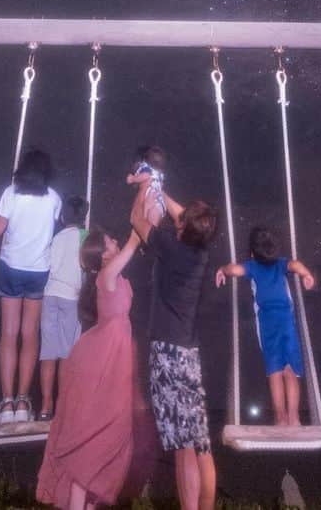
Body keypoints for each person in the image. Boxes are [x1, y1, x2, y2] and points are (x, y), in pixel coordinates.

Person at [36, 225, 148, 510]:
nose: (114, 241)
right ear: (103, 256)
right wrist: (147, 203)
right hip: (100, 360)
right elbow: (134, 241)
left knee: (113, 435)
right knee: (92, 436)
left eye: (112, 238)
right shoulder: (106, 275)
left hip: (115, 360)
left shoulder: (117, 276)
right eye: (110, 242)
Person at [131, 188, 217, 510]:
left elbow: (136, 220)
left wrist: (144, 189)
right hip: (189, 355)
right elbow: (188, 218)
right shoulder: (201, 252)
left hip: (167, 355)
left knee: (182, 448)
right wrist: (161, 189)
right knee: (201, 444)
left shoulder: (169, 246)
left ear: (184, 227)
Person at [215, 226, 316, 427]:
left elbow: (234, 269)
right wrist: (307, 274)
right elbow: (295, 265)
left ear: (252, 253)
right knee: (291, 370)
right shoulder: (281, 264)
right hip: (287, 322)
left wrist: (221, 270)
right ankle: (294, 418)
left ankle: (281, 418)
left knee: (275, 371)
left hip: (267, 324)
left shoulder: (252, 266)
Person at [0, 147, 61, 424]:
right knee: (30, 334)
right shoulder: (54, 198)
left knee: (9, 333)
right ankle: (23, 401)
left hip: (10, 267)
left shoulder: (11, 193)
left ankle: (7, 404)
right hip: (38, 270)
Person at [39, 194, 89, 421]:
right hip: (71, 298)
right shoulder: (85, 237)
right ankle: (63, 406)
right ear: (84, 216)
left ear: (63, 216)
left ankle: (45, 407)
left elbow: (52, 265)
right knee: (67, 353)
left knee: (48, 352)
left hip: (50, 295)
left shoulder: (58, 236)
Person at [125, 143, 168, 221]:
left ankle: (144, 219)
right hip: (159, 200)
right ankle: (150, 221)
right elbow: (161, 184)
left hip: (150, 196)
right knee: (154, 216)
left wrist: (133, 179)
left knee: (146, 213)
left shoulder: (147, 169)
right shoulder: (160, 174)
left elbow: (145, 176)